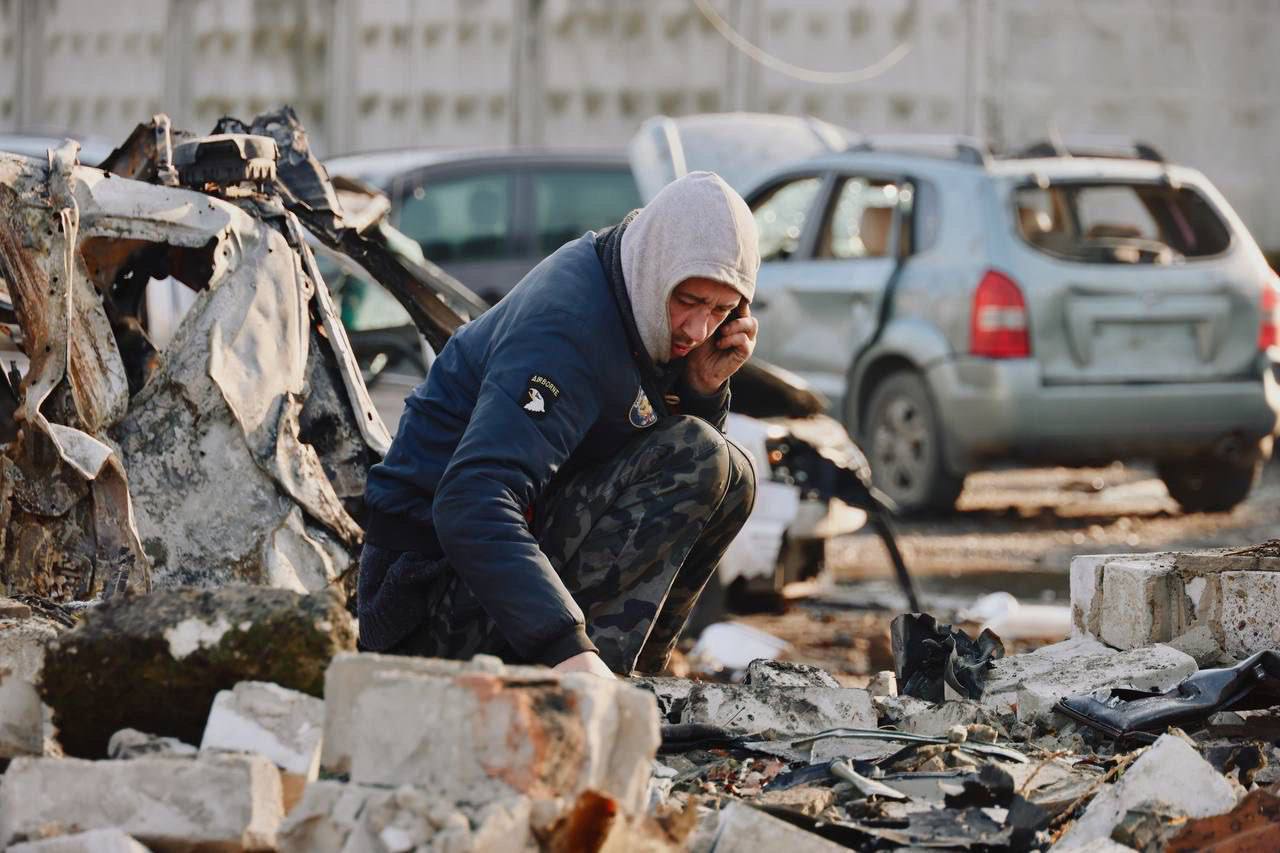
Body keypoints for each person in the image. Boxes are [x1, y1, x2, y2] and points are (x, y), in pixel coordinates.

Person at [356, 171, 760, 678]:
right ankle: (593, 683)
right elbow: (471, 501)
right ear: (656, 267)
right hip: (419, 603)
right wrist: (568, 650)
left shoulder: (636, 295)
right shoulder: (568, 327)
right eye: (690, 301)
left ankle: (631, 678)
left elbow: (663, 484)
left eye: (721, 310)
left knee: (734, 475)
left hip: (490, 578)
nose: (699, 329)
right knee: (699, 454)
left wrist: (701, 389)